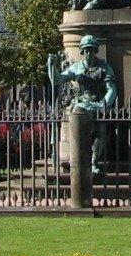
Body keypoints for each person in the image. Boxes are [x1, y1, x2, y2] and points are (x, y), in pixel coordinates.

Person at [47, 34, 119, 176]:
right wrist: (51, 65)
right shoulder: (76, 67)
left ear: (95, 50)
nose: (88, 53)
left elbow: (111, 89)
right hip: (81, 105)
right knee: (79, 130)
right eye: (85, 50)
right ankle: (79, 160)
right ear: (82, 51)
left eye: (91, 50)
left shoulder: (104, 67)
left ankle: (93, 162)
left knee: (101, 131)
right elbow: (57, 80)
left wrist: (103, 104)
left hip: (99, 104)